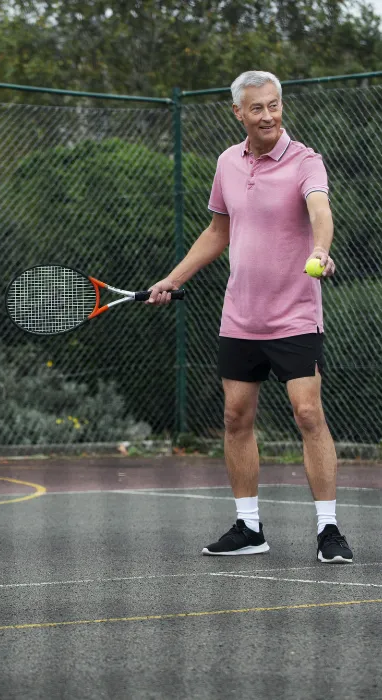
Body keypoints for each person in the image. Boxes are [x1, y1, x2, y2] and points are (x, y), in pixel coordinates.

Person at [148, 71, 352, 563]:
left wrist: (321, 248)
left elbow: (319, 209)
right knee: (235, 418)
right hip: (240, 317)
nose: (268, 116)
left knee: (308, 414)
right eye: (257, 108)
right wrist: (174, 278)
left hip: (296, 316)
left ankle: (329, 531)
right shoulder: (227, 163)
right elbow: (219, 230)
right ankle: (249, 527)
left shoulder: (306, 161)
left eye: (274, 105)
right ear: (237, 112)